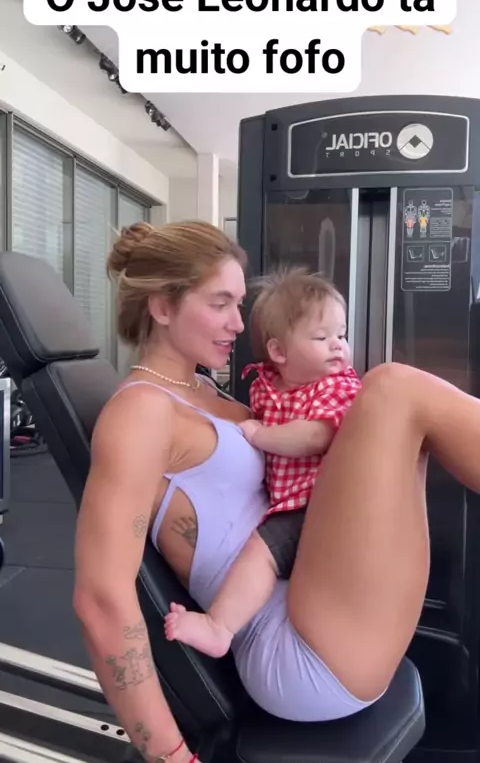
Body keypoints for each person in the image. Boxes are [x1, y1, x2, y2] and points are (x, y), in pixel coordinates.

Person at [74, 219, 480, 763]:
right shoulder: (141, 412)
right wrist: (171, 756)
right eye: (220, 304)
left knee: (399, 427)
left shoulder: (204, 390)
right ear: (163, 307)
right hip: (298, 652)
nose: (238, 324)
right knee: (394, 390)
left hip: (319, 599)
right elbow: (101, 599)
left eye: (239, 304)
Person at [164, 267, 362, 657]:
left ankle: (220, 626)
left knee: (261, 553)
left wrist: (260, 436)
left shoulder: (338, 385)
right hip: (292, 506)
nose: (338, 346)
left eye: (341, 335)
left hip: (318, 505)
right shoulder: (265, 386)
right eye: (322, 337)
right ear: (278, 352)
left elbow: (316, 436)